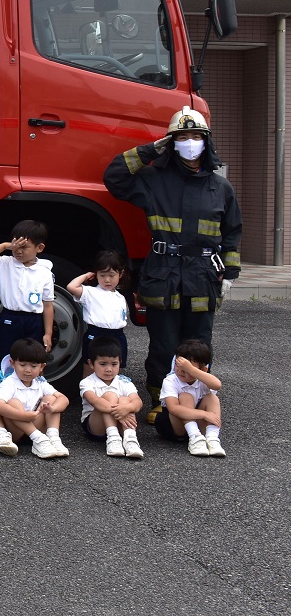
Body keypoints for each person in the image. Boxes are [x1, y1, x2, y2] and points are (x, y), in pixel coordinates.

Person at [105, 107, 242, 421]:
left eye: (196, 136)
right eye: (182, 137)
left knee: (199, 344)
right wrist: (149, 151)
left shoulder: (221, 187)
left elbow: (232, 231)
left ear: (206, 142)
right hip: (163, 272)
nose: (190, 142)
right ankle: (162, 400)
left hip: (203, 275)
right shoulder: (153, 179)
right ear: (171, 142)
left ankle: (194, 398)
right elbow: (114, 177)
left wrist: (231, 272)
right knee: (163, 344)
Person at [0, 220, 54, 357]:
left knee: (32, 357)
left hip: (34, 321)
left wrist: (48, 333)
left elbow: (48, 305)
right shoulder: (5, 263)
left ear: (39, 248)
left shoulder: (45, 272)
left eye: (24, 247)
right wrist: (4, 246)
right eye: (15, 245)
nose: (18, 251)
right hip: (9, 317)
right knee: (5, 355)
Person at [0, 338, 70, 459]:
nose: (28, 370)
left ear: (42, 367)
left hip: (38, 428)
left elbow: (63, 399)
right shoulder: (8, 383)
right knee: (13, 402)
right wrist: (24, 416)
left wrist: (52, 409)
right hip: (16, 432)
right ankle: (38, 439)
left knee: (51, 399)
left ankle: (53, 438)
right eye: (22, 365)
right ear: (12, 363)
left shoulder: (40, 382)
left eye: (33, 366)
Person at [155, 339, 226, 457]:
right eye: (178, 365)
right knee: (185, 396)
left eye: (186, 369)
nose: (181, 371)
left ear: (203, 370)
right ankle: (195, 438)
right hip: (176, 427)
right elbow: (173, 408)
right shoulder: (171, 381)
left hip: (198, 423)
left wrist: (192, 371)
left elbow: (217, 385)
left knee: (212, 398)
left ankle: (212, 438)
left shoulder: (202, 379)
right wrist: (204, 414)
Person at [78, 337, 145, 459]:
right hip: (96, 426)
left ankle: (130, 439)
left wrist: (127, 408)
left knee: (126, 400)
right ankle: (113, 438)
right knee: (110, 395)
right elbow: (95, 401)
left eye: (114, 364)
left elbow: (138, 402)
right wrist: (120, 413)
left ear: (120, 362)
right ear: (91, 364)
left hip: (120, 423)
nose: (109, 369)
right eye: (103, 364)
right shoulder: (87, 382)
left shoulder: (124, 382)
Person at [67, 250, 131, 371]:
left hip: (117, 335)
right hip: (96, 334)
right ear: (96, 274)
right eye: (102, 275)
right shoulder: (90, 292)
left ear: (120, 274)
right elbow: (71, 287)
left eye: (111, 275)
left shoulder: (121, 297)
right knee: (90, 368)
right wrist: (86, 276)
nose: (107, 280)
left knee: (113, 369)